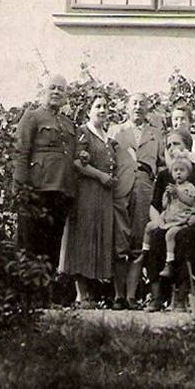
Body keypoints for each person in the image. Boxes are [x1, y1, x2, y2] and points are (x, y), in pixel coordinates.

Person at [144, 129, 195, 312]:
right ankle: (157, 296)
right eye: (168, 145)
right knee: (156, 234)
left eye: (176, 143)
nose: (171, 148)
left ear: (187, 146)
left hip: (194, 223)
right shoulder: (165, 175)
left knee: (184, 237)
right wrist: (159, 223)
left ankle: (181, 295)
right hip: (169, 222)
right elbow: (154, 206)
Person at [13, 74, 76, 271]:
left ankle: (47, 295)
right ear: (44, 92)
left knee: (53, 242)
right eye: (53, 88)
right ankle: (27, 297)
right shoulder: (32, 116)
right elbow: (20, 152)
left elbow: (71, 156)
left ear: (66, 96)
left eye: (61, 89)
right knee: (30, 242)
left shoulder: (68, 124)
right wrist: (21, 188)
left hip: (61, 190)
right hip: (37, 189)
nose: (57, 92)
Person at [108, 93, 165, 310]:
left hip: (144, 187)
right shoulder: (116, 131)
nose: (138, 107)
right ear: (127, 107)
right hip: (121, 188)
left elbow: (161, 164)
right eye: (134, 103)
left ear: (148, 108)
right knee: (119, 238)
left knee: (140, 240)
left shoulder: (155, 134)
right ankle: (118, 296)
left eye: (142, 103)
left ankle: (131, 296)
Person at [59, 95, 117, 308]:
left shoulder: (106, 136)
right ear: (89, 111)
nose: (102, 110)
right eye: (97, 106)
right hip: (87, 191)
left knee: (98, 236)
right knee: (83, 236)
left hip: (104, 195)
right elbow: (77, 161)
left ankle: (90, 294)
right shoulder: (84, 132)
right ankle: (80, 294)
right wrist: (100, 176)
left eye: (105, 106)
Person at [142, 155, 195, 278]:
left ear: (188, 173)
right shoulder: (171, 187)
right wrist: (168, 196)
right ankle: (144, 253)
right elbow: (164, 205)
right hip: (169, 217)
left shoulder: (189, 187)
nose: (178, 173)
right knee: (148, 227)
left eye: (182, 170)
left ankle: (169, 263)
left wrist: (178, 193)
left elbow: (190, 201)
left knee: (170, 235)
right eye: (175, 170)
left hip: (181, 219)